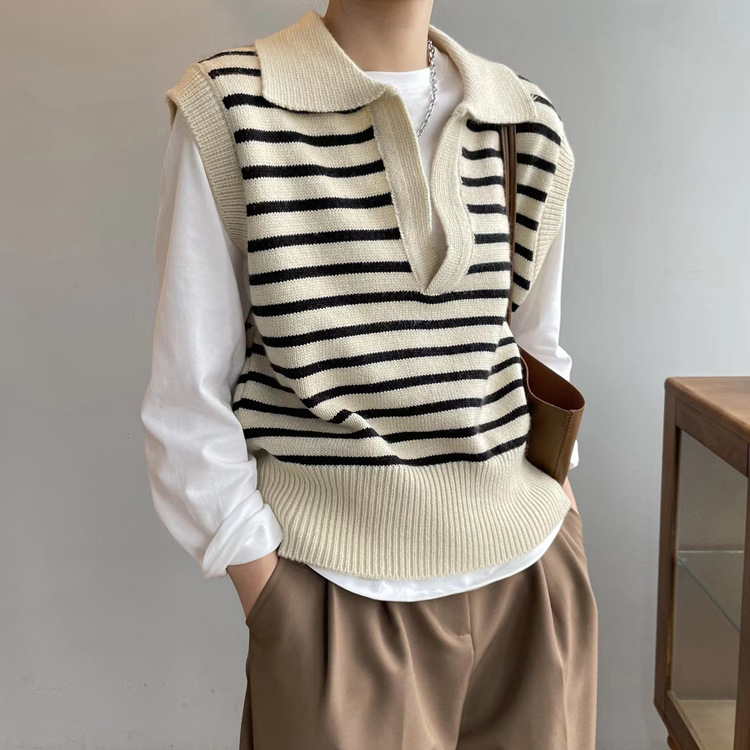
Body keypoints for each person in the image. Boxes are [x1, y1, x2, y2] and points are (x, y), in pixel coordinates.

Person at [140, 2, 598, 747]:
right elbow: (187, 397)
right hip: (335, 594)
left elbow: (534, 349)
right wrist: (270, 593)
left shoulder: (523, 119)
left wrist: (563, 512)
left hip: (533, 579)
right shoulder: (231, 107)